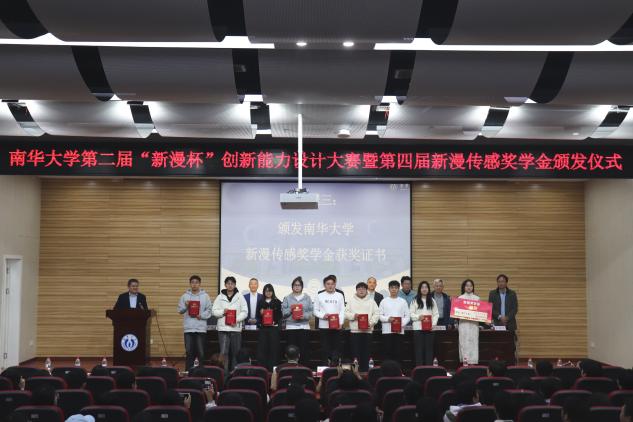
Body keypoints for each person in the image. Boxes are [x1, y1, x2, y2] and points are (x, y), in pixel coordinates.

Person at [212, 276, 248, 372]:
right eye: (228, 283)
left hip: (235, 328)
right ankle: (224, 374)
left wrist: (236, 320)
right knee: (223, 353)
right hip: (223, 329)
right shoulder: (220, 297)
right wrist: (222, 312)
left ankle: (235, 374)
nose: (230, 285)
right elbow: (214, 311)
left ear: (235, 285)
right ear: (225, 285)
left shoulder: (240, 296)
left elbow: (245, 312)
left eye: (232, 283)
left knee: (236, 353)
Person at [178, 275, 213, 371]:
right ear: (190, 284)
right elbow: (180, 310)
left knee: (201, 353)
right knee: (189, 352)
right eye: (192, 282)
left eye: (196, 282)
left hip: (200, 328)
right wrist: (186, 306)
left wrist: (201, 316)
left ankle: (200, 373)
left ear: (200, 284)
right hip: (188, 328)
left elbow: (209, 310)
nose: (194, 284)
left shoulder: (205, 296)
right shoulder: (184, 296)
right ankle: (188, 373)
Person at [345, 281, 379, 371]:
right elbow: (345, 313)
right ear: (356, 290)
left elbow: (377, 314)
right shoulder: (351, 301)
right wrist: (353, 316)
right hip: (355, 331)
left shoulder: (372, 301)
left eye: (363, 289)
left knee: (366, 352)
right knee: (355, 353)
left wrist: (371, 323)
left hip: (367, 331)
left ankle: (366, 371)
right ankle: (356, 371)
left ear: (366, 290)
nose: (361, 291)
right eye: (359, 289)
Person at [281, 276, 313, 366]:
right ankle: (291, 368)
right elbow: (284, 313)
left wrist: (304, 316)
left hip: (304, 327)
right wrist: (291, 309)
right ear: (292, 286)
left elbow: (311, 312)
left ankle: (304, 369)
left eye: (299, 285)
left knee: (304, 350)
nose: (297, 287)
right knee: (291, 350)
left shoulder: (307, 298)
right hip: (291, 327)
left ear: (302, 287)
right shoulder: (287, 298)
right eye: (295, 285)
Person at [314, 274, 345, 365]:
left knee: (336, 347)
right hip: (324, 326)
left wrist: (341, 323)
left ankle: (335, 366)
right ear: (324, 285)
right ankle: (325, 365)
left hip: (337, 326)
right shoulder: (319, 295)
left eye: (332, 284)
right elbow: (315, 311)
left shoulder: (339, 295)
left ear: (335, 284)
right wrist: (323, 316)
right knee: (325, 347)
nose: (330, 286)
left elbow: (342, 310)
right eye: (328, 284)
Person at [379, 280, 410, 361]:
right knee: (387, 352)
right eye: (392, 288)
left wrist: (400, 324)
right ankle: (387, 369)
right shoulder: (384, 301)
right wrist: (388, 319)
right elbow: (380, 316)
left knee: (398, 353)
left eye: (396, 288)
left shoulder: (403, 301)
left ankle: (398, 369)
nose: (394, 289)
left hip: (399, 331)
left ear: (398, 289)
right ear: (389, 289)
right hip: (387, 331)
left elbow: (407, 317)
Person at [410, 281, 439, 365]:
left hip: (430, 329)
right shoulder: (414, 300)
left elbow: (436, 314)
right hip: (418, 329)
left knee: (429, 350)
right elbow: (411, 314)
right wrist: (418, 317)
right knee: (418, 350)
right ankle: (419, 369)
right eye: (422, 287)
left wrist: (433, 324)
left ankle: (428, 368)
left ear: (428, 289)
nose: (424, 289)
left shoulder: (432, 300)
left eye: (426, 287)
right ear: (419, 289)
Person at [256, 283, 282, 371]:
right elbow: (257, 316)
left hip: (273, 329)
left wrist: (275, 321)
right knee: (262, 349)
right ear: (264, 292)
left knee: (273, 349)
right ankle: (262, 369)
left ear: (272, 292)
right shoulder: (260, 302)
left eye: (270, 291)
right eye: (266, 291)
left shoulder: (277, 302)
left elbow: (280, 315)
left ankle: (273, 369)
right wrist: (260, 313)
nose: (268, 293)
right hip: (263, 329)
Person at [457, 279, 480, 365]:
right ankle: (465, 363)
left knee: (473, 343)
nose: (469, 287)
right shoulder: (460, 298)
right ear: (464, 287)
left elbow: (480, 313)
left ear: (473, 287)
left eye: (470, 285)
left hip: (474, 325)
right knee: (464, 343)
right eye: (467, 285)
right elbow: (456, 313)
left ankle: (473, 364)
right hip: (464, 324)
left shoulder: (477, 299)